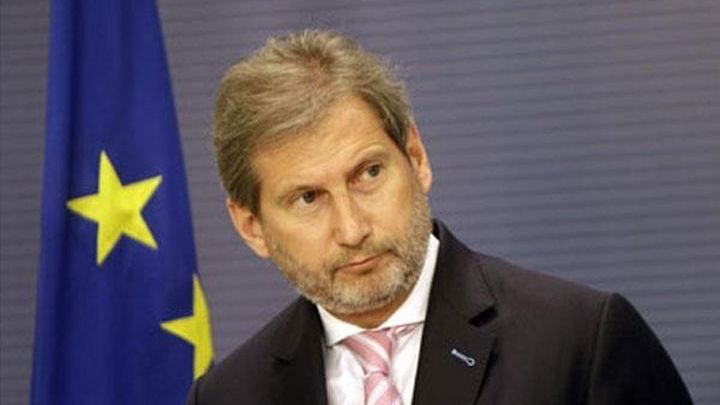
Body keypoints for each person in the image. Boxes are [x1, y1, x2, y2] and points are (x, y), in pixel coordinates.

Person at [187, 29, 692, 405]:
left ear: (416, 157)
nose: (352, 229)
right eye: (307, 199)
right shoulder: (228, 396)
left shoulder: (579, 343)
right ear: (251, 226)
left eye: (368, 174)